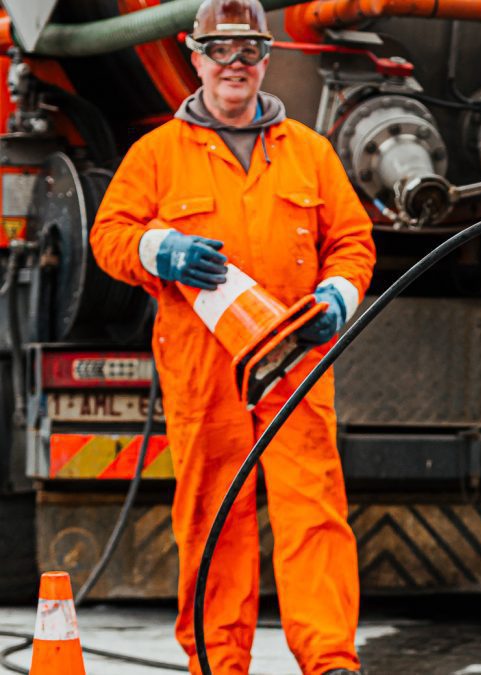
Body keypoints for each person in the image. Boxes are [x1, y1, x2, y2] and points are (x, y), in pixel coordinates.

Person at [90, 1, 374, 673]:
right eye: (221, 52)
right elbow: (109, 236)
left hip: (294, 363)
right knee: (215, 515)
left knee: (314, 512)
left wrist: (339, 295)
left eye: (248, 51)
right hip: (205, 371)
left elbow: (352, 242)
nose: (235, 66)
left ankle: (330, 659)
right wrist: (160, 249)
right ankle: (219, 660)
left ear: (266, 58)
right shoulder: (157, 154)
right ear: (195, 59)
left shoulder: (309, 153)